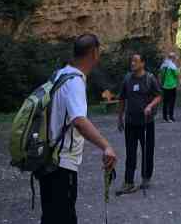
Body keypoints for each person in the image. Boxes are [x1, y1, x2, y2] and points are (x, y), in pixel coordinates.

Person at [39, 33, 117, 224]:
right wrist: (106, 146)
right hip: (62, 165)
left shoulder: (59, 75)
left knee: (50, 217)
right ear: (94, 53)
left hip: (46, 160)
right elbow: (79, 121)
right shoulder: (74, 81)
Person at [115, 53, 162, 195]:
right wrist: (119, 117)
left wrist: (150, 106)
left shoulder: (149, 78)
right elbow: (122, 99)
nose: (132, 63)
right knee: (130, 152)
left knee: (147, 150)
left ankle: (146, 178)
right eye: (132, 61)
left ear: (143, 63)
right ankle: (129, 182)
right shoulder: (127, 79)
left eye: (135, 61)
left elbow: (159, 95)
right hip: (130, 122)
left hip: (146, 122)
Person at [158, 52, 180, 122]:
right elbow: (176, 74)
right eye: (174, 58)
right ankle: (171, 117)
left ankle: (164, 117)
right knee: (172, 102)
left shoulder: (163, 65)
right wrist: (178, 69)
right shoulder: (172, 65)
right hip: (172, 85)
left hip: (164, 85)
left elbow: (161, 74)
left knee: (165, 102)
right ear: (172, 58)